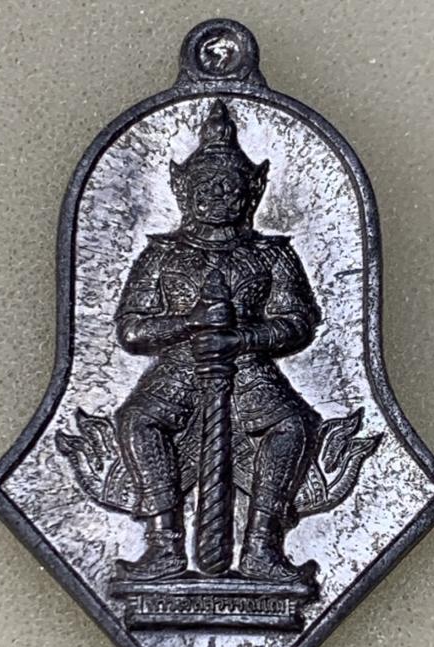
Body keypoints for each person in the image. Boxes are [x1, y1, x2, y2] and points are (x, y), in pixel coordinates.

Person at [114, 99, 321, 582]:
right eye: (207, 186)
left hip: (247, 364)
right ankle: (164, 544)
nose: (219, 195)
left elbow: (297, 322)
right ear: (185, 190)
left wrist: (242, 337)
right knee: (138, 420)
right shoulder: (162, 255)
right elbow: (132, 330)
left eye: (230, 186)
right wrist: (188, 324)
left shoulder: (271, 255)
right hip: (181, 365)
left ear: (251, 191)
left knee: (293, 425)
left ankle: (263, 546)